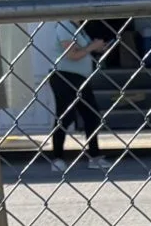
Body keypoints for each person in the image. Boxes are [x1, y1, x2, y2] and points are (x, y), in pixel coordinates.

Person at [46, 18, 108, 161]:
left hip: (80, 78)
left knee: (91, 115)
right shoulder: (64, 26)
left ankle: (95, 155)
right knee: (65, 117)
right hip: (65, 77)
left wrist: (97, 48)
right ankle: (57, 157)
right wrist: (92, 46)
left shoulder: (77, 27)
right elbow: (72, 54)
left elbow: (81, 50)